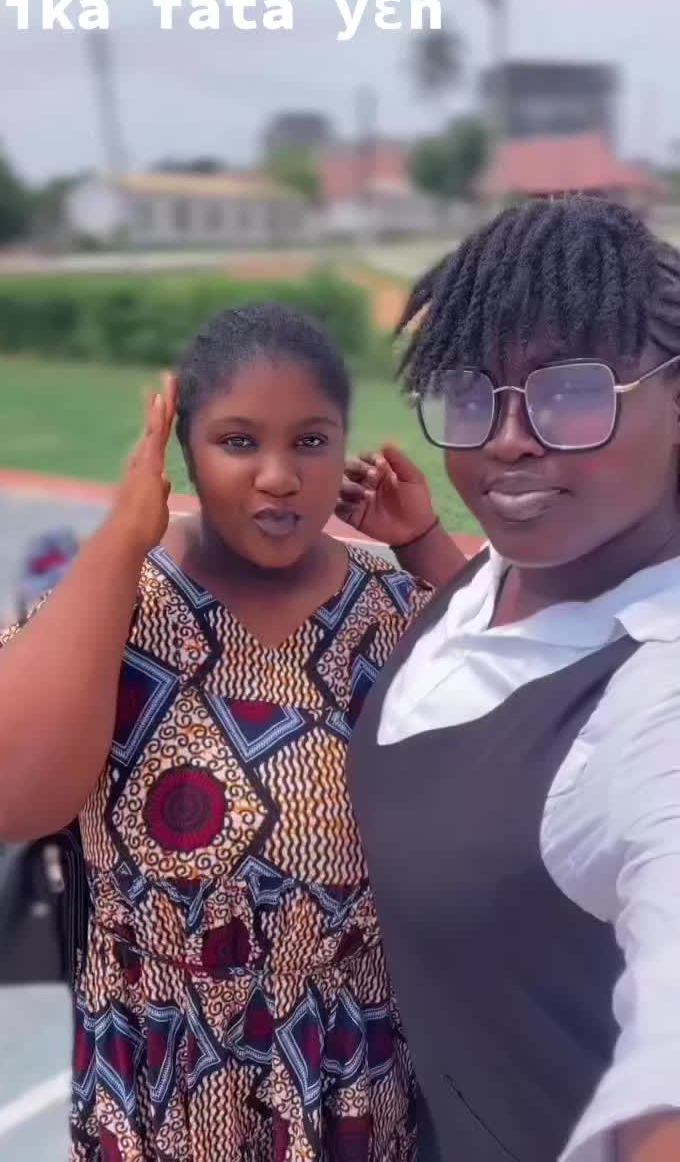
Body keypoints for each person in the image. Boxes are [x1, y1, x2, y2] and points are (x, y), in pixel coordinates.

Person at [0, 303, 464, 1162]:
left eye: (311, 441)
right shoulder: (119, 607)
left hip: (352, 1076)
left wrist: (425, 547)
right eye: (238, 442)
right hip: (158, 1081)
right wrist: (123, 538)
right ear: (182, 448)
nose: (279, 476)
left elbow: (530, 734)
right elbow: (4, 803)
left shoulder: (392, 611)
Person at [344, 196, 680, 1162]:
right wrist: (423, 544)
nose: (506, 439)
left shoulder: (654, 700)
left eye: (569, 391)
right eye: (470, 394)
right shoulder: (508, 574)